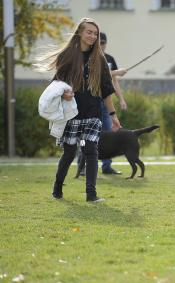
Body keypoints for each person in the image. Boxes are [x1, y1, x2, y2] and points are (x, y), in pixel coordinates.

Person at [36, 17, 121, 202]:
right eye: (89, 32)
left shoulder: (99, 58)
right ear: (80, 33)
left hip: (92, 113)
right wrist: (64, 94)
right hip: (72, 113)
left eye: (95, 33)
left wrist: (113, 115)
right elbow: (57, 84)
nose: (92, 36)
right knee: (69, 152)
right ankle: (57, 188)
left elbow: (106, 90)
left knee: (92, 151)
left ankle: (91, 194)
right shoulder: (67, 56)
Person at [78, 32, 127, 176]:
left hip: (105, 103)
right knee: (85, 136)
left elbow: (114, 82)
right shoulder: (89, 56)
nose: (102, 45)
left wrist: (121, 99)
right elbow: (97, 75)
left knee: (109, 135)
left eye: (104, 43)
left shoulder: (110, 59)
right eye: (100, 42)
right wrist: (117, 72)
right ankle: (82, 166)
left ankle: (107, 165)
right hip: (89, 102)